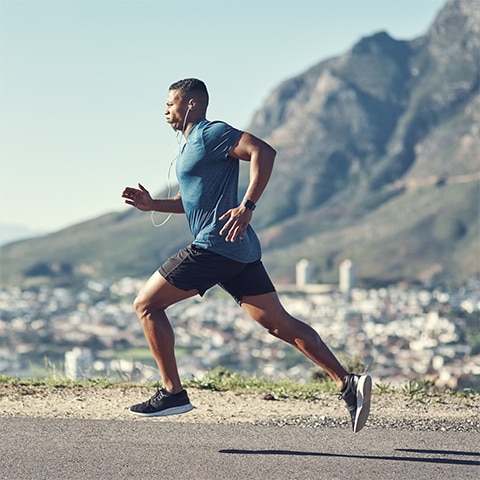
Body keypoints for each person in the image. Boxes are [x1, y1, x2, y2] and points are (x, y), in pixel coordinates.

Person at [121, 78, 372, 433]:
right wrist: (152, 204)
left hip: (215, 245)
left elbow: (264, 151)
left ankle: (172, 392)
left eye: (170, 104)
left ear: (191, 104)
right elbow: (189, 202)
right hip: (237, 250)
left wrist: (247, 205)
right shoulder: (193, 145)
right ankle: (348, 384)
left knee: (146, 305)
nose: (165, 112)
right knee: (278, 323)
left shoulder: (212, 133)